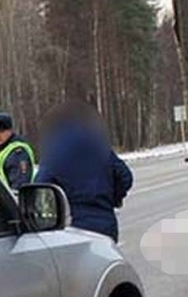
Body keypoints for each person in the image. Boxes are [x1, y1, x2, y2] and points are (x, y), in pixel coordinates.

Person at [34, 101, 133, 242]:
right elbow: (125, 177)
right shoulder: (98, 145)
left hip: (74, 228)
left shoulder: (53, 153)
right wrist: (113, 198)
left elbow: (41, 186)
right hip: (106, 223)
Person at [0, 112, 35, 190]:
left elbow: (19, 185)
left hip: (12, 201)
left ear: (10, 131)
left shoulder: (17, 152)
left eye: (2, 132)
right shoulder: (0, 154)